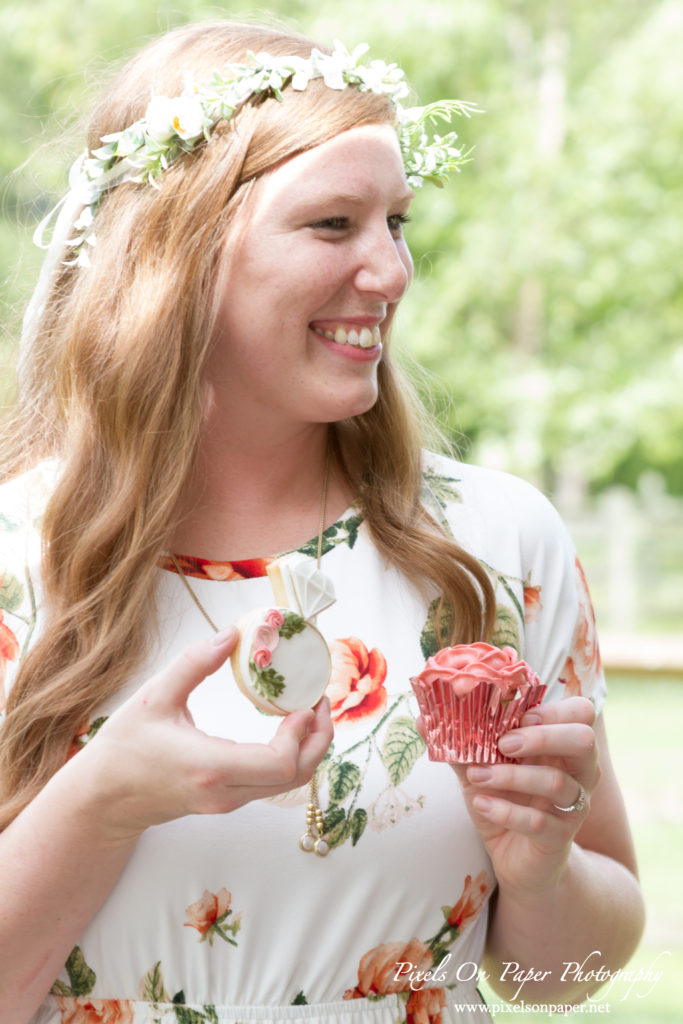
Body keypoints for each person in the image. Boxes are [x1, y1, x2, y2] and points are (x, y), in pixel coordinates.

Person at [0, 19, 644, 1024]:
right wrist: (104, 798)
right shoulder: (17, 564)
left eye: (396, 223)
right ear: (175, 256)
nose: (389, 271)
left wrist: (543, 870)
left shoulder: (491, 545)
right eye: (333, 225)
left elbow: (558, 977)